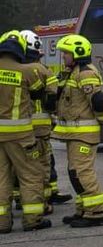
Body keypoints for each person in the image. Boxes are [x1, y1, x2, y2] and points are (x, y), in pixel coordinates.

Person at [50, 33, 103, 228]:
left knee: (82, 172)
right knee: (74, 172)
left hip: (84, 134)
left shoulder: (86, 73)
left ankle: (96, 212)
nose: (63, 56)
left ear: (78, 53)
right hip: (75, 134)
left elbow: (98, 101)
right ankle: (83, 209)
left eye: (66, 53)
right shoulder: (72, 72)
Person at [0, 30, 51, 233]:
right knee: (30, 175)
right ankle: (32, 220)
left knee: (1, 178)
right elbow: (40, 92)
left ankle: (2, 223)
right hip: (21, 135)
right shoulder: (26, 71)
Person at [18, 30, 69, 213]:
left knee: (21, 165)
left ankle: (23, 197)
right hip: (38, 128)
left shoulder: (15, 70)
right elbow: (51, 101)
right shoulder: (41, 71)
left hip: (20, 129)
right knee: (42, 165)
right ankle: (42, 200)